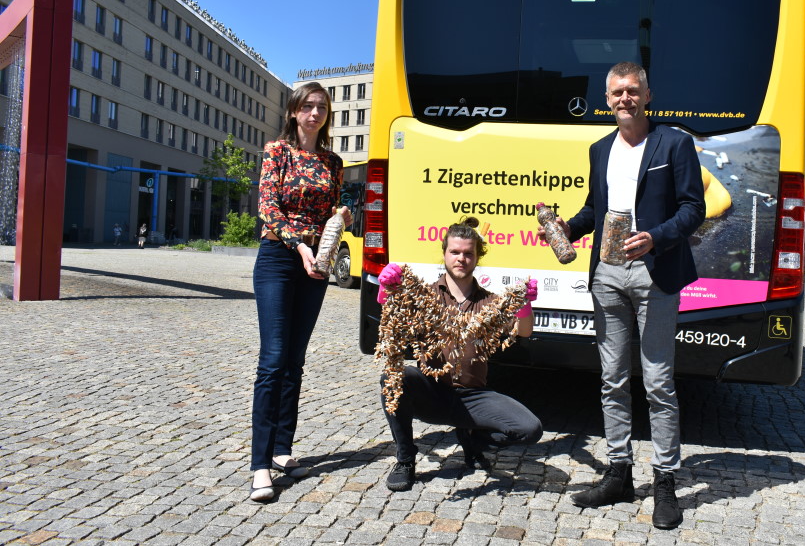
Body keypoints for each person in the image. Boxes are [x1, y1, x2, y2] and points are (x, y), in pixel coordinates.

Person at [540, 62, 705, 530]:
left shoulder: (674, 143)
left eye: (633, 91)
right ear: (607, 98)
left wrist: (656, 236)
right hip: (607, 275)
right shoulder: (599, 149)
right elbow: (596, 208)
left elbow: (695, 208)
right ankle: (618, 474)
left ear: (648, 95)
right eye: (617, 92)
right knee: (611, 379)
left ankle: (667, 482)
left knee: (657, 382)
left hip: (655, 273)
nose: (625, 99)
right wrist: (568, 228)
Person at [377, 218, 542, 492]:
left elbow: (522, 332)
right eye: (455, 252)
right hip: (432, 390)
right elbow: (395, 326)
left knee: (529, 429)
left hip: (473, 396)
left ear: (478, 257)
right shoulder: (424, 296)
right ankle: (405, 459)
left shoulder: (490, 302)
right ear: (444, 254)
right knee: (393, 377)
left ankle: (472, 440)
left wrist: (524, 305)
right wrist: (387, 293)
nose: (461, 259)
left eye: (468, 253)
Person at [249, 82, 352, 502]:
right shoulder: (278, 151)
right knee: (273, 360)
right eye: (307, 106)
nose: (314, 113)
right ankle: (259, 466)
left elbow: (332, 210)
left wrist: (342, 214)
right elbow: (267, 207)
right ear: (294, 111)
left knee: (295, 360)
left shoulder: (332, 161)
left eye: (321, 107)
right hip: (279, 257)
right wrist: (301, 245)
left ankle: (282, 450)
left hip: (318, 264)